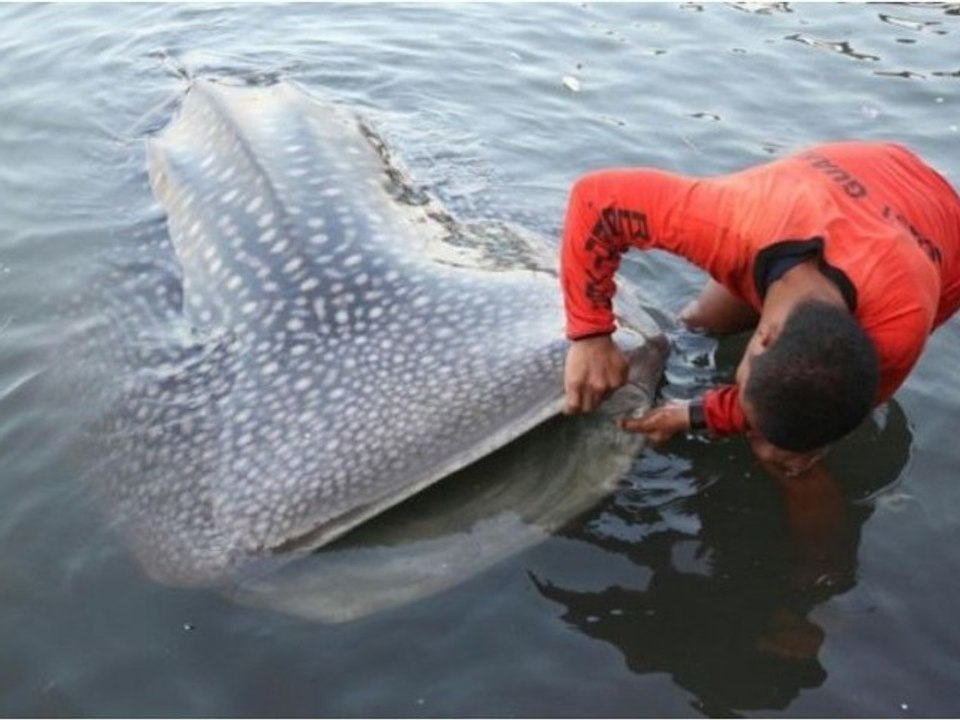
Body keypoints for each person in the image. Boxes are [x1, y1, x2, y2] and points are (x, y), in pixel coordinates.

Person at [560, 141, 960, 474]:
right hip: (871, 169)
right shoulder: (730, 223)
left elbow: (831, 407)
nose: (759, 446)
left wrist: (697, 414)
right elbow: (595, 199)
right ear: (764, 336)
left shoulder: (897, 337)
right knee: (701, 320)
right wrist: (591, 335)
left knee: (792, 451)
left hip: (942, 236)